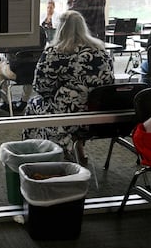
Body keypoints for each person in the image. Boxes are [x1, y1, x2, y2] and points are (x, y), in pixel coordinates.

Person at [22, 10, 114, 161]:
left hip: (68, 114)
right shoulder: (101, 51)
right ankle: (77, 149)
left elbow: (40, 86)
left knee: (34, 104)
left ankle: (42, 154)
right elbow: (109, 80)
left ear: (61, 28)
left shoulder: (55, 52)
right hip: (98, 113)